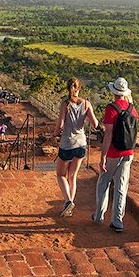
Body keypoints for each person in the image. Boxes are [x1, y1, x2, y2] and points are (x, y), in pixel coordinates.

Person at [93, 76, 139, 233]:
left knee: (103, 183)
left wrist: (103, 156)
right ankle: (117, 221)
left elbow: (108, 134)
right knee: (121, 186)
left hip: (114, 152)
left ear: (114, 92)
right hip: (129, 152)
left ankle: (99, 215)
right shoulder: (132, 109)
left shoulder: (112, 108)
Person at [56, 77, 98, 217]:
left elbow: (60, 125)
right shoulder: (86, 104)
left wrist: (55, 134)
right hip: (81, 144)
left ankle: (68, 201)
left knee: (61, 175)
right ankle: (69, 207)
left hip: (67, 144)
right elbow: (95, 124)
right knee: (72, 176)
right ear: (79, 89)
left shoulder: (65, 104)